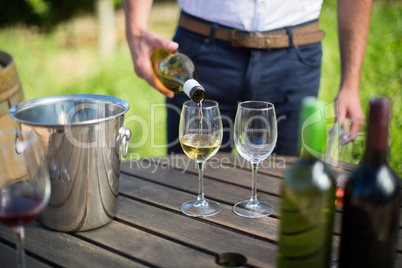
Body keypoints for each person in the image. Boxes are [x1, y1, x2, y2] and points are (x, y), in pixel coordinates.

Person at [124, 0, 371, 156]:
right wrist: (135, 30)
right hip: (201, 53)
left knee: (281, 189)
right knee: (184, 184)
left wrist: (351, 82)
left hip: (295, 59)